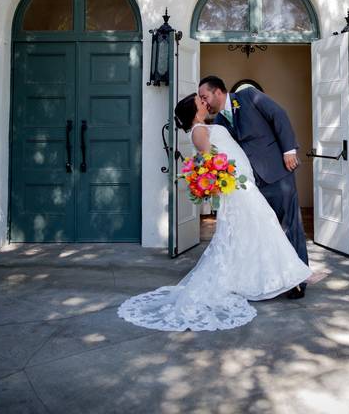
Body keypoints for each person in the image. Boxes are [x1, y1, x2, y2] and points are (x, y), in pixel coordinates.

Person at [116, 94, 311, 332]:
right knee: (265, 227)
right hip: (238, 188)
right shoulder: (198, 131)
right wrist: (226, 178)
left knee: (254, 231)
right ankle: (284, 278)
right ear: (194, 110)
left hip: (242, 185)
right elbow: (212, 164)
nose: (204, 102)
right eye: (200, 101)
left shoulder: (205, 126)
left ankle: (264, 278)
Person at [198, 75, 309, 299]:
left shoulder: (248, 96)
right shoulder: (219, 123)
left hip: (277, 173)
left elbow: (279, 115)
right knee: (265, 232)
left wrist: (289, 150)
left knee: (290, 226)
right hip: (250, 184)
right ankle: (272, 278)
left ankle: (298, 282)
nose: (204, 102)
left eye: (205, 96)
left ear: (218, 91)